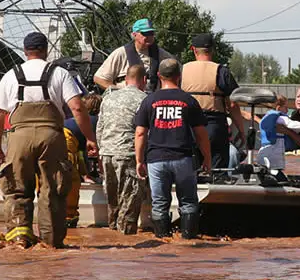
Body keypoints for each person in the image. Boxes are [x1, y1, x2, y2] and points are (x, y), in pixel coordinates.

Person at [0, 32, 98, 248]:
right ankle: (51, 244)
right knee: (53, 191)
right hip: (52, 137)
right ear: (46, 50)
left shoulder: (11, 75)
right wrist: (90, 138)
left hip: (19, 138)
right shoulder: (59, 74)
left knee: (17, 190)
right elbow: (77, 107)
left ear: (25, 51)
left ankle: (20, 240)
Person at [134, 58, 211, 239]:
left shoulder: (149, 101)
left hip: (156, 159)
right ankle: (189, 241)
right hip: (183, 159)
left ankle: (162, 241)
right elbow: (201, 134)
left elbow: (140, 133)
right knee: (189, 202)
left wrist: (139, 160)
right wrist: (207, 158)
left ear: (159, 76)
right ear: (179, 76)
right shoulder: (189, 100)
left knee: (159, 203)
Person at [97, 64, 148, 234]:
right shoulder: (144, 99)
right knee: (130, 202)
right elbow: (145, 131)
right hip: (128, 154)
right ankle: (127, 243)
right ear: (145, 80)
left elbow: (100, 128)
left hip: (107, 153)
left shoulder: (108, 98)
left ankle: (113, 241)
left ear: (126, 80)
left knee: (113, 202)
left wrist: (101, 150)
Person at [181, 33, 245, 168]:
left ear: (193, 49)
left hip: (187, 127)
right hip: (214, 126)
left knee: (190, 173)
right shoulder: (222, 71)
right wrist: (241, 129)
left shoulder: (182, 70)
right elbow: (233, 104)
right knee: (218, 174)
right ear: (213, 50)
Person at [243, 95, 300, 170]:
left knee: (265, 172)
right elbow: (298, 126)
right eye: (285, 107)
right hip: (274, 153)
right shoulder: (280, 118)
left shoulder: (267, 116)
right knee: (276, 173)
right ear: (278, 108)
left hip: (264, 151)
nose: (287, 110)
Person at [93, 18, 175, 93]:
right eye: (145, 33)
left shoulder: (161, 54)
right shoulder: (121, 53)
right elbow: (99, 78)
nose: (149, 36)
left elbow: (177, 72)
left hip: (151, 102)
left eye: (151, 33)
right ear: (134, 35)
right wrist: (118, 93)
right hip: (127, 101)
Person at [63, 93, 102, 228]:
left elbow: (81, 152)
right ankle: (69, 218)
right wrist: (91, 175)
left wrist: (84, 173)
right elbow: (90, 150)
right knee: (71, 182)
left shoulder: (75, 119)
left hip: (56, 136)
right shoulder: (95, 121)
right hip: (66, 141)